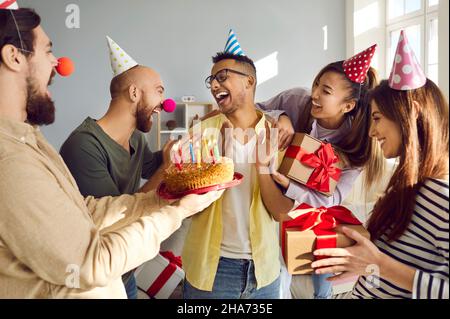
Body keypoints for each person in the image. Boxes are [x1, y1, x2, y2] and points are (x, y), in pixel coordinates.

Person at [0, 7, 222, 298]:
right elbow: (89, 260)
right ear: (14, 57)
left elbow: (86, 209)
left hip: (123, 274)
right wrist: (177, 211)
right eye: (48, 51)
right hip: (114, 265)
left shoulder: (31, 139)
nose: (58, 63)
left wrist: (170, 188)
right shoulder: (23, 157)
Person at [311, 31, 449, 299]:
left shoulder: (441, 198)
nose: (372, 132)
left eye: (376, 118)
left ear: (413, 113)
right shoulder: (408, 188)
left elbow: (381, 266)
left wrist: (379, 265)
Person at [256, 45, 383, 298]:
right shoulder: (295, 100)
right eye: (316, 84)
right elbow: (252, 112)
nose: (314, 94)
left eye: (325, 91)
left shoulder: (356, 144)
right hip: (268, 192)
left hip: (311, 206)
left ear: (347, 106)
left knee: (332, 237)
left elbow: (331, 199)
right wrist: (279, 116)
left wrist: (292, 187)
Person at [59, 37, 175, 299]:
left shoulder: (135, 137)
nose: (164, 103)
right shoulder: (83, 146)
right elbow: (118, 215)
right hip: (94, 281)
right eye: (159, 90)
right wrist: (166, 170)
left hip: (124, 272)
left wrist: (173, 153)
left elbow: (150, 166)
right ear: (134, 93)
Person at [182, 30, 281, 299]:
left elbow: (282, 212)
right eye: (212, 80)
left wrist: (263, 168)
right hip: (212, 271)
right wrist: (219, 168)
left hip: (265, 273)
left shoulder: (277, 134)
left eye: (222, 77)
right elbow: (187, 211)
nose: (214, 86)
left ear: (249, 81)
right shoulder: (199, 134)